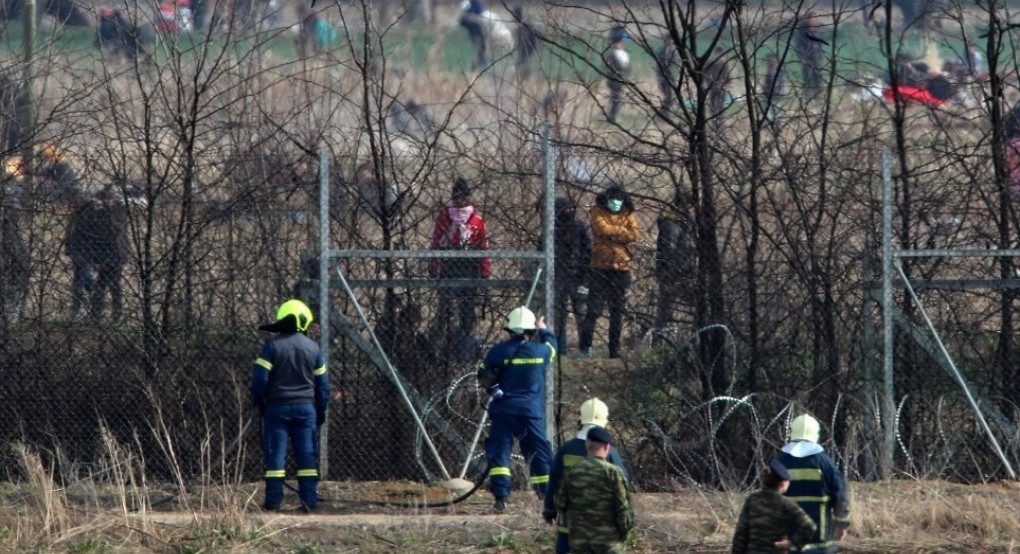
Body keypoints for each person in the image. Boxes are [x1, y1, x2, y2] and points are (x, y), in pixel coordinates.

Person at [251, 299, 330, 512]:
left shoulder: (272, 346)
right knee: (306, 455)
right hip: (306, 410)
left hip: (276, 409)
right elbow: (323, 386)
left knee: (275, 456)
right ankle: (308, 502)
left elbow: (260, 379)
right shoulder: (314, 349)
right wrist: (321, 410)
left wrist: (258, 400)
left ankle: (273, 503)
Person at [476, 306, 556, 513]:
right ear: (531, 331)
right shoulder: (541, 351)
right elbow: (553, 347)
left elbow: (483, 373)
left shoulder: (498, 351)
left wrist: (495, 392)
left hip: (504, 411)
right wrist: (544, 329)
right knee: (538, 453)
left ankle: (501, 498)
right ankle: (545, 496)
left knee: (500, 453)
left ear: (510, 330)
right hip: (531, 412)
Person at [544, 398, 628, 554]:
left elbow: (554, 482)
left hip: (569, 527)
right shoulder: (610, 452)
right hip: (604, 532)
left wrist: (549, 511)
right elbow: (623, 491)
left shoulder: (566, 450)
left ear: (581, 418)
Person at [430, 177, 490, 357]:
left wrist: (485, 272)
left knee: (467, 312)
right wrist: (434, 264)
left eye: (463, 198)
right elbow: (436, 242)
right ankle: (437, 348)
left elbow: (483, 248)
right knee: (444, 309)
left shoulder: (477, 220)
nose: (460, 201)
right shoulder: (444, 217)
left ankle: (464, 349)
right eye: (457, 198)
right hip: (449, 267)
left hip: (469, 268)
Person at [578, 183, 639, 359]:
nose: (616, 204)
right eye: (613, 200)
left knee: (617, 311)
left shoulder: (628, 212)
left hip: (621, 267)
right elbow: (601, 229)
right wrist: (621, 232)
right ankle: (585, 346)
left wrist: (613, 234)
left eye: (619, 200)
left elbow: (634, 233)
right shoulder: (598, 210)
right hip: (600, 267)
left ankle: (614, 349)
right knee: (593, 310)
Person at [554, 426, 633, 554]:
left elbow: (560, 504)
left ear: (587, 446)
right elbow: (623, 509)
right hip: (608, 543)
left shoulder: (572, 472)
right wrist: (624, 534)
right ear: (607, 447)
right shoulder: (614, 473)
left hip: (580, 542)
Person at [778, 414, 851, 553]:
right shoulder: (825, 463)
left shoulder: (781, 462)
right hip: (821, 535)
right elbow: (840, 495)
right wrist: (842, 524)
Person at [731, 459, 818, 554]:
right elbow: (810, 526)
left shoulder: (752, 500)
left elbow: (741, 533)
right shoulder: (785, 503)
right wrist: (792, 542)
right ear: (783, 483)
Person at [552, 196, 591, 355]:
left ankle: (585, 347)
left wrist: (586, 277)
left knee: (581, 313)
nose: (567, 212)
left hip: (578, 276)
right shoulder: (552, 228)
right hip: (558, 276)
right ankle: (561, 350)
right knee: (558, 316)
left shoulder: (579, 228)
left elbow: (588, 252)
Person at [654, 195, 692, 330]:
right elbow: (668, 251)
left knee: (666, 308)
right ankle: (659, 339)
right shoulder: (671, 225)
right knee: (666, 309)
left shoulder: (680, 224)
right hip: (673, 273)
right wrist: (677, 269)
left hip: (679, 272)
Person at [794, 12, 824, 97]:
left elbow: (821, 43)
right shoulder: (802, 30)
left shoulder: (818, 29)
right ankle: (807, 93)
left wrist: (821, 56)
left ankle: (819, 92)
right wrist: (802, 56)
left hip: (816, 55)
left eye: (814, 18)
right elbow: (798, 43)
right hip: (806, 55)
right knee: (806, 74)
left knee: (817, 74)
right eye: (810, 18)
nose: (812, 20)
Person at [604, 27, 630, 123]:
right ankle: (612, 116)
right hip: (614, 81)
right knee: (615, 99)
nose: (619, 44)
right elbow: (610, 69)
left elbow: (626, 68)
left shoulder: (624, 54)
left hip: (620, 80)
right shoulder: (612, 54)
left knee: (617, 99)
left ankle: (613, 115)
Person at [459, 0, 489, 70]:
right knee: (480, 50)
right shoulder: (469, 5)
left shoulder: (476, 6)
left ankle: (480, 65)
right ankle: (479, 65)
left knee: (481, 51)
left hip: (477, 34)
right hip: (475, 34)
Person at [513, 6, 539, 79]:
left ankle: (525, 77)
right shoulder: (522, 23)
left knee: (520, 63)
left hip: (528, 47)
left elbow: (529, 37)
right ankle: (524, 77)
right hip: (526, 47)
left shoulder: (523, 23)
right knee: (521, 63)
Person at [762, 53, 787, 127]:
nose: (767, 61)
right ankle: (775, 122)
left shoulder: (774, 67)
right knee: (774, 106)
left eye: (769, 59)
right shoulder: (778, 67)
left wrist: (775, 89)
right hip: (775, 90)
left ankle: (773, 122)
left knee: (772, 106)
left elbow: (775, 80)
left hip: (775, 91)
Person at [656, 38, 680, 111]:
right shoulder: (663, 51)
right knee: (667, 95)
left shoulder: (673, 53)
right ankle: (664, 111)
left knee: (669, 95)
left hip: (670, 77)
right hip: (663, 76)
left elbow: (674, 66)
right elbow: (661, 64)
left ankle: (665, 111)